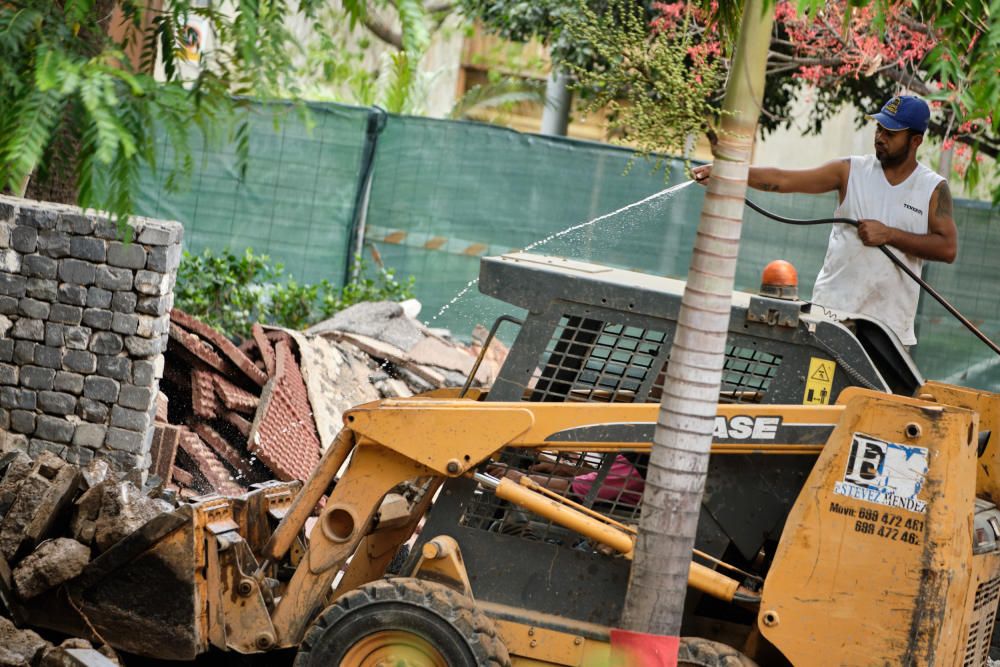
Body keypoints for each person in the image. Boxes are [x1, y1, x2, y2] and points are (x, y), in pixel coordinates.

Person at [691, 94, 958, 347]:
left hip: (890, 329)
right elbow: (783, 179)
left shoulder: (933, 189)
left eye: (890, 133)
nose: (880, 137)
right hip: (832, 316)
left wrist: (890, 234)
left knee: (874, 397)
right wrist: (729, 173)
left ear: (915, 141)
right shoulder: (849, 171)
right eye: (879, 129)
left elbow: (947, 249)